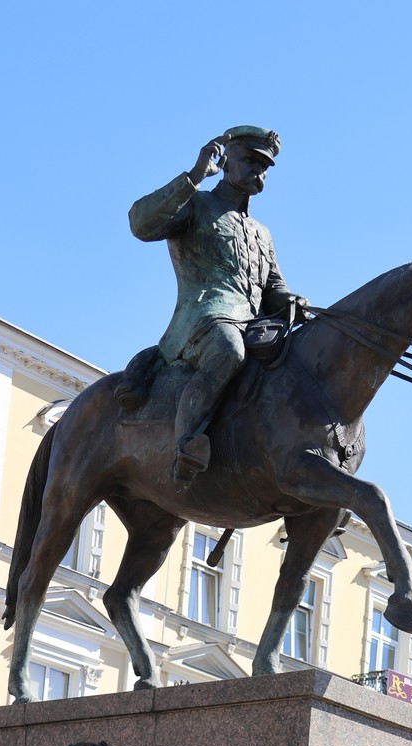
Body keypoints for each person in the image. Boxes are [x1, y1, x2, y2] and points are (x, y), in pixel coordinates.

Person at [128, 127, 304, 487]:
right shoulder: (196, 205)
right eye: (251, 161)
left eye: (265, 166)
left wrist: (292, 301)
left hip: (253, 324)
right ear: (225, 162)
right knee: (229, 350)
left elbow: (273, 287)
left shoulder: (261, 233)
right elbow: (141, 223)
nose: (260, 171)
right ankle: (186, 445)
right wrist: (194, 176)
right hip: (203, 318)